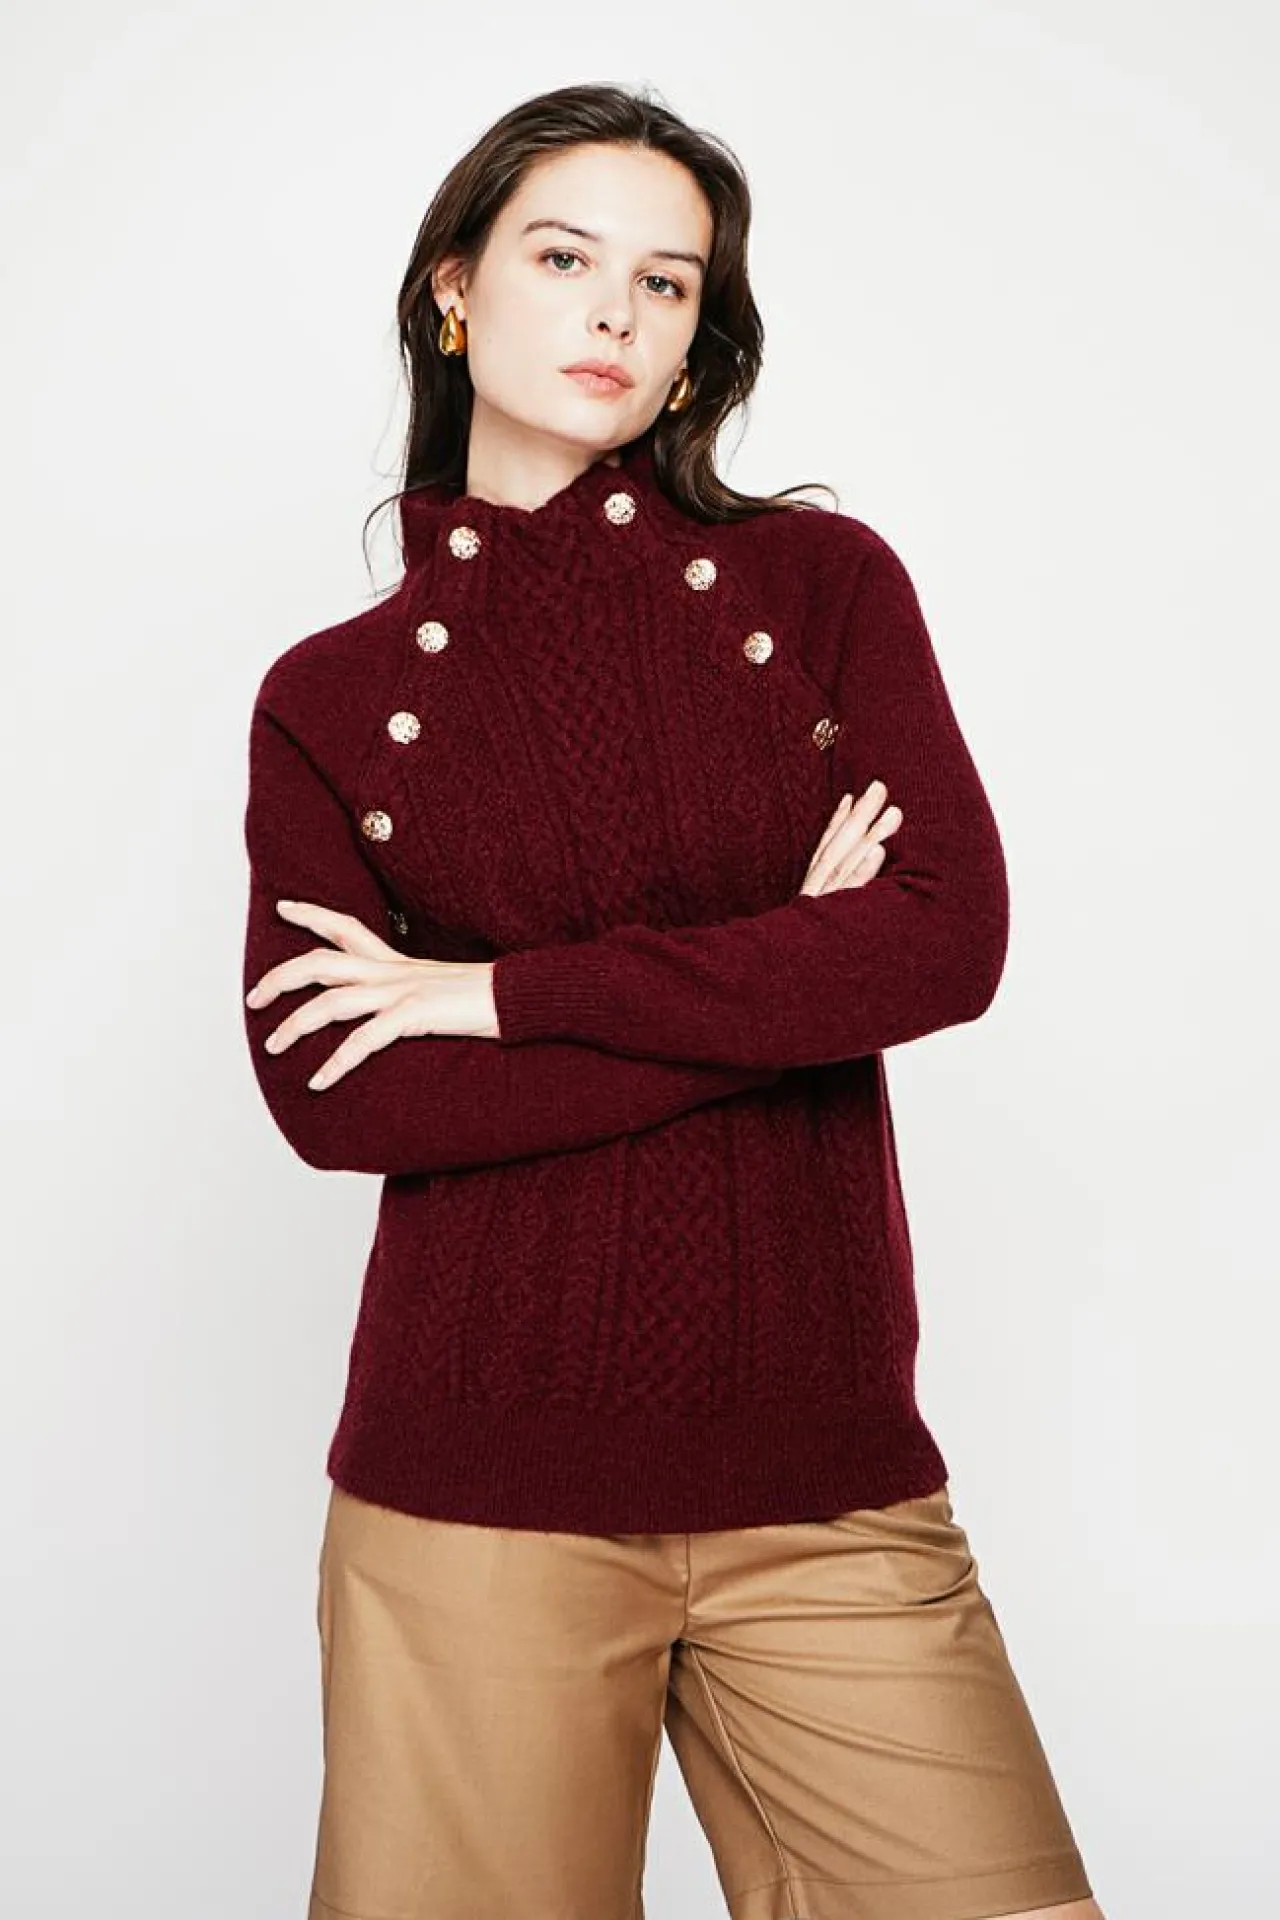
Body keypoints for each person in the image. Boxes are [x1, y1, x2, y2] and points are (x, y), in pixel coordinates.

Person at [241, 80, 1103, 1920]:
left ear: (705, 328)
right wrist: (786, 976)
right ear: (455, 289)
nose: (617, 314)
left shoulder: (822, 591)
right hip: (474, 1490)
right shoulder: (331, 699)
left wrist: (494, 999)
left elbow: (942, 945)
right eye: (566, 259)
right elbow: (342, 1096)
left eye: (668, 280)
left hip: (829, 1481)